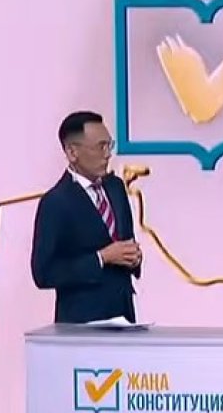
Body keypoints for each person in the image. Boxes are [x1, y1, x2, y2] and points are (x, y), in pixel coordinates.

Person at [31, 111, 142, 323]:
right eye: (100, 147)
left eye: (109, 145)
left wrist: (133, 257)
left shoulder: (116, 187)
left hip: (124, 317)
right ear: (72, 152)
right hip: (82, 323)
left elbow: (125, 240)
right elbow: (44, 273)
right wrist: (101, 258)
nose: (107, 154)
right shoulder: (56, 202)